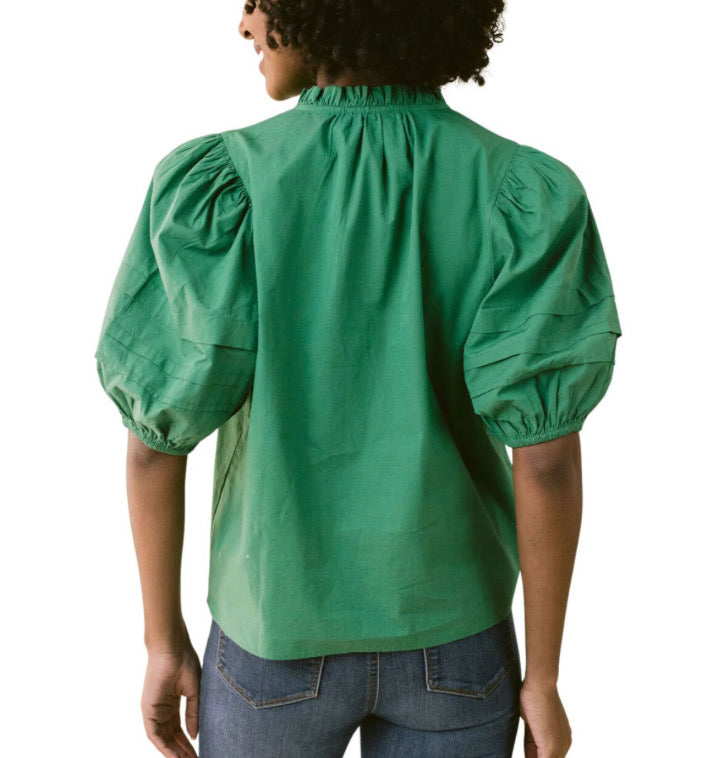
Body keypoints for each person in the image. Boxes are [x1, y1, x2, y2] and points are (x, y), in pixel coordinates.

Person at [93, 1, 623, 756]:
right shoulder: (522, 193)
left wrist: (161, 639)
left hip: (272, 635)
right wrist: (541, 677)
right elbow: (545, 461)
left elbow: (155, 443)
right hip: (457, 645)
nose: (243, 24)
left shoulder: (223, 186)